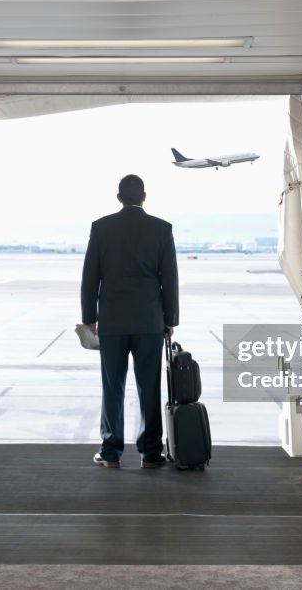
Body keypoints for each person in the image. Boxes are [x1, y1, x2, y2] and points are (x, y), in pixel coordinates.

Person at [81, 174, 180, 468]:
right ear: (144, 196)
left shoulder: (101, 228)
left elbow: (90, 277)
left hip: (112, 321)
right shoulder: (162, 229)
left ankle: (111, 451)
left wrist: (89, 318)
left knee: (113, 387)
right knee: (149, 387)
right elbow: (170, 280)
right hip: (150, 320)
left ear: (119, 197)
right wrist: (170, 319)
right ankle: (150, 452)